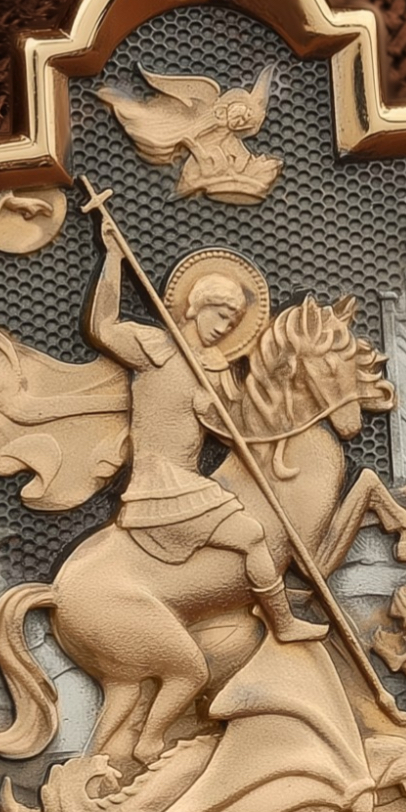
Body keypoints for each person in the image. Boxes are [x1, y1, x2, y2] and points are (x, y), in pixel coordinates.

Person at [85, 229, 325, 642]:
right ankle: (283, 624)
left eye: (232, 322)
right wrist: (113, 258)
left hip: (189, 480)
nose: (223, 327)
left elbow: (232, 431)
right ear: (196, 306)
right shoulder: (154, 348)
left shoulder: (216, 368)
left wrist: (219, 412)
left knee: (252, 535)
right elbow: (102, 327)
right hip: (160, 484)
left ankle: (278, 620)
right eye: (219, 314)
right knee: (252, 535)